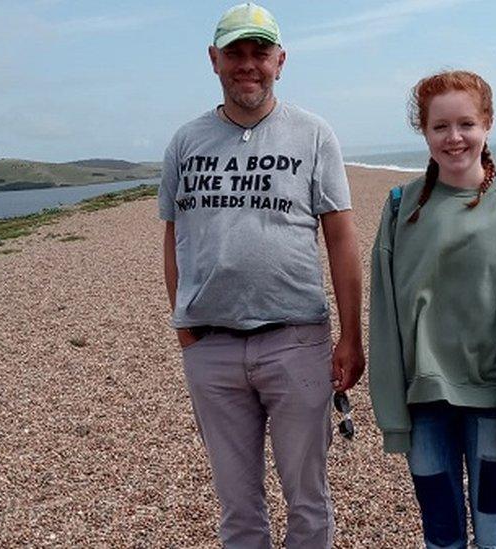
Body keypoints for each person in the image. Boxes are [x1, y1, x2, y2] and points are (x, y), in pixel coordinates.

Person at [158, 3, 365, 548]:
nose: (247, 65)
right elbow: (172, 236)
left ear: (280, 60)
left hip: (296, 339)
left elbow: (341, 237)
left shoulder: (314, 135)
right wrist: (185, 327)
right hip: (212, 349)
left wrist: (351, 336)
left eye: (259, 53)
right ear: (214, 60)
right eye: (235, 53)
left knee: (308, 499)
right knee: (238, 506)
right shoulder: (184, 142)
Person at [368, 70, 496, 549]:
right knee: (442, 537)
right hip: (424, 406)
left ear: (486, 124)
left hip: (494, 404)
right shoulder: (399, 206)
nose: (454, 138)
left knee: (495, 533)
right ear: (423, 131)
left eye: (466, 123)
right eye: (439, 126)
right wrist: (390, 410)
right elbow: (384, 313)